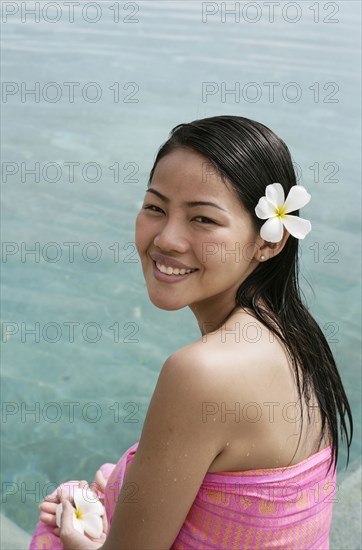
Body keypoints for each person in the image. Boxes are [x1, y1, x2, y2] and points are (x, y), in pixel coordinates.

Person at [29, 115, 353, 549]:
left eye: (203, 219)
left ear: (269, 242)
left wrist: (75, 538)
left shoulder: (201, 372)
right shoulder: (295, 335)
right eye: (155, 208)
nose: (167, 239)